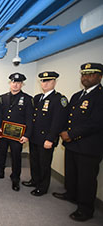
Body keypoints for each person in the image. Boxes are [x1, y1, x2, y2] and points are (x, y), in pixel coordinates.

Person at [53, 63, 103, 222]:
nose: (85, 77)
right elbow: (68, 118)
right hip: (72, 144)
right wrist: (63, 132)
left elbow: (96, 123)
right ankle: (71, 194)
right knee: (72, 173)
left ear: (100, 76)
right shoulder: (77, 96)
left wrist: (70, 134)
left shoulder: (100, 96)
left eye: (90, 74)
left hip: (89, 147)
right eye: (83, 74)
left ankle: (85, 209)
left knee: (86, 179)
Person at [22, 71, 68, 196]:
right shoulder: (37, 98)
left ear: (54, 82)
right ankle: (34, 180)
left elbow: (58, 122)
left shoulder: (59, 99)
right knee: (34, 161)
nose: (45, 83)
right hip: (35, 137)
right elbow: (32, 119)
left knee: (44, 164)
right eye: (43, 81)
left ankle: (42, 187)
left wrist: (51, 138)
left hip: (46, 139)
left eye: (48, 80)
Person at [0, 73, 33, 191]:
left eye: (18, 83)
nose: (15, 85)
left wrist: (27, 135)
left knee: (16, 156)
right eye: (13, 82)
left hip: (17, 135)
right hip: (2, 133)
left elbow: (29, 119)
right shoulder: (2, 98)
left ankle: (15, 178)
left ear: (22, 84)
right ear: (10, 83)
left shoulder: (28, 99)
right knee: (0, 153)